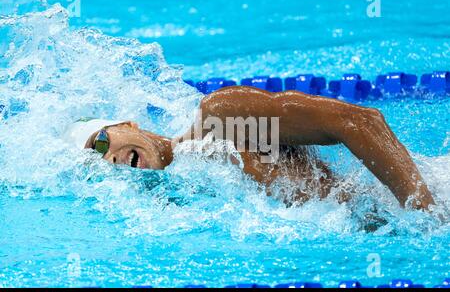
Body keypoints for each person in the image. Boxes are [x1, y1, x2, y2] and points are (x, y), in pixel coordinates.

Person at [72, 86, 435, 210]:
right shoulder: (178, 203)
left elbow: (359, 122)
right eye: (96, 161)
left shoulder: (218, 118)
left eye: (101, 142)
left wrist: (424, 213)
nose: (108, 158)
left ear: (126, 126)